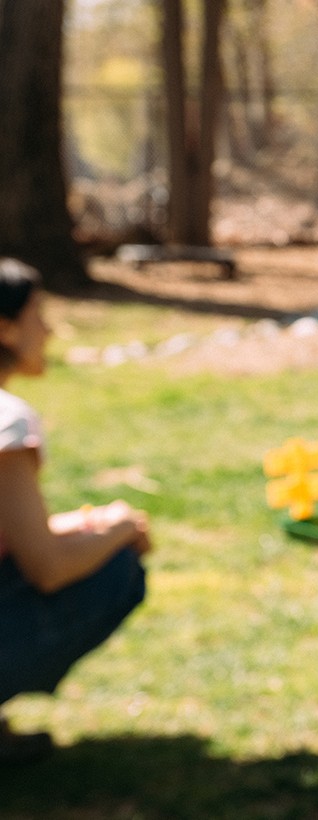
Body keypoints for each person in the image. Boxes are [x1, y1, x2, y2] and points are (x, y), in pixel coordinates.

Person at [0, 258, 151, 762]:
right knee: (118, 570)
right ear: (4, 326)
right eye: (37, 314)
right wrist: (122, 529)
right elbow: (47, 569)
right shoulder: (7, 425)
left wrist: (87, 525)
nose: (49, 330)